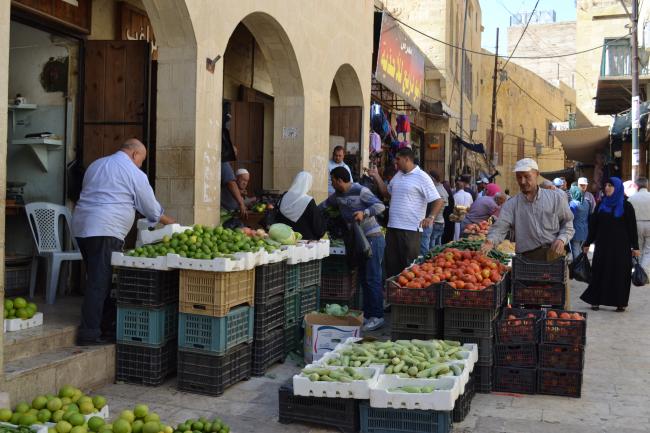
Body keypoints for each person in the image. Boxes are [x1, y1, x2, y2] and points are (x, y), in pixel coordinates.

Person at [72, 139, 175, 345]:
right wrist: (169, 221)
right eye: (141, 160)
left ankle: (103, 325)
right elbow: (150, 208)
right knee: (99, 282)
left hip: (82, 226)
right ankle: (89, 333)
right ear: (135, 155)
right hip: (105, 229)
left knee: (97, 277)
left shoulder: (97, 164)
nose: (141, 165)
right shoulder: (134, 173)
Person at [321, 167, 386, 331]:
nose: (332, 183)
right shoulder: (337, 196)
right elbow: (322, 206)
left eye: (332, 180)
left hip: (372, 239)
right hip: (358, 242)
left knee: (373, 278)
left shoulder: (360, 190)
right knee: (364, 279)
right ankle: (368, 315)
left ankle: (377, 316)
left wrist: (364, 213)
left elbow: (380, 206)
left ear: (338, 180)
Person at [368, 148, 443, 279]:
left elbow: (438, 200)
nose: (395, 163)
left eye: (398, 159)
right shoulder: (398, 175)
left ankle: (406, 297)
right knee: (391, 267)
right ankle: (391, 295)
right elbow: (387, 193)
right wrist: (376, 176)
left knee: (409, 268)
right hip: (392, 228)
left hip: (411, 230)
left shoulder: (422, 177)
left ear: (407, 159)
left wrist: (431, 217)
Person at [482, 158, 574, 261]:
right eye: (519, 177)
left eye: (527, 176)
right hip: (527, 260)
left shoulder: (555, 199)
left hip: (554, 256)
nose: (522, 181)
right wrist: (490, 241)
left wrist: (562, 239)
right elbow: (500, 227)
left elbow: (567, 223)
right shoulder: (511, 205)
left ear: (537, 174)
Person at [580, 177, 640, 312]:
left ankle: (620, 302)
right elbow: (593, 227)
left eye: (610, 185)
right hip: (603, 247)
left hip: (621, 249)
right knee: (599, 272)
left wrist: (635, 247)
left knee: (620, 274)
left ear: (617, 188)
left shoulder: (626, 206)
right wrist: (587, 242)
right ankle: (595, 301)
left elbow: (632, 228)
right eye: (605, 185)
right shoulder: (601, 205)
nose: (607, 188)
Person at [275, 171, 326, 240]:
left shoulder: (284, 196)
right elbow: (318, 226)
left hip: (282, 237)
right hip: (303, 240)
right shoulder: (308, 201)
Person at [420, 170, 449, 255]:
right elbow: (446, 205)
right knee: (438, 246)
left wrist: (431, 216)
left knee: (430, 246)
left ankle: (430, 262)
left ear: (432, 179)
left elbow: (438, 203)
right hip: (441, 221)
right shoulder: (443, 189)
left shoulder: (434, 190)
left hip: (434, 221)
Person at [627, 177, 650, 274]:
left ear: (637, 186)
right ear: (647, 185)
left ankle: (637, 271)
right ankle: (644, 272)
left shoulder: (631, 198)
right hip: (649, 223)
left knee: (638, 248)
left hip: (637, 224)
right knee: (648, 250)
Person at [568, 185, 590, 260]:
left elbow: (570, 217)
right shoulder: (586, 202)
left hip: (575, 230)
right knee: (580, 250)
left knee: (575, 250)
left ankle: (578, 268)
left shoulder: (573, 204)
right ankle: (581, 266)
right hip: (585, 230)